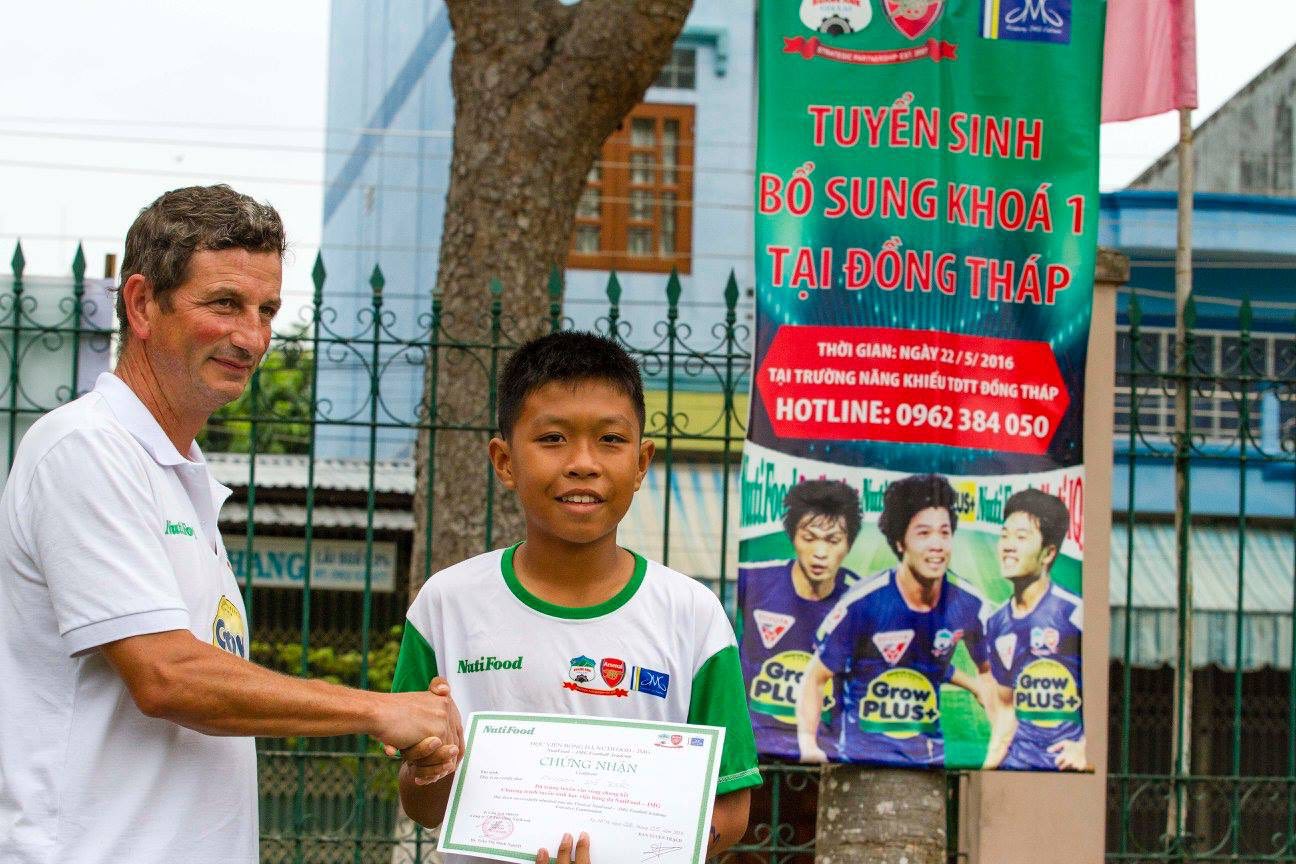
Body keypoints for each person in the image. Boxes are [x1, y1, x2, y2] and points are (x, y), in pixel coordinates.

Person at [0, 185, 461, 864]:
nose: (252, 338)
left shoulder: (173, 471)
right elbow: (167, 676)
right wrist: (377, 709)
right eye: (224, 304)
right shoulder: (85, 447)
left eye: (266, 310)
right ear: (141, 304)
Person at [393, 331, 760, 864]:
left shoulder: (693, 617)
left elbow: (730, 807)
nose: (583, 462)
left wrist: (628, 852)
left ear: (641, 462)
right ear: (504, 461)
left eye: (610, 439)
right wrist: (430, 764)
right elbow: (424, 806)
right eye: (553, 438)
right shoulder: (445, 606)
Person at [794, 473, 992, 767]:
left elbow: (984, 673)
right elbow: (815, 677)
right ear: (900, 542)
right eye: (923, 533)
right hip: (860, 765)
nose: (937, 544)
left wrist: (983, 693)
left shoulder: (968, 603)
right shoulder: (863, 603)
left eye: (945, 533)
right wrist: (808, 744)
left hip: (929, 766)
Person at [738, 478, 862, 759]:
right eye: (809, 538)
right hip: (756, 748)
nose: (820, 553)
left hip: (827, 753)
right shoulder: (753, 579)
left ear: (848, 544)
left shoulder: (860, 600)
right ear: (793, 536)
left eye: (833, 540)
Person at [981, 488, 1086, 771]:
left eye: (1021, 537)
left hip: (1063, 773)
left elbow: (1107, 695)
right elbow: (1006, 707)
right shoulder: (996, 623)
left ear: (1048, 553)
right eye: (1004, 536)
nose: (1008, 546)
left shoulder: (1075, 613)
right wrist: (987, 768)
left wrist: (1086, 746)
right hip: (1015, 767)